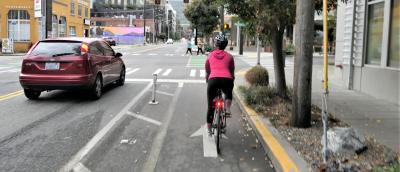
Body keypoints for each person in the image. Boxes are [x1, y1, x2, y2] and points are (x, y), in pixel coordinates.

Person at [205, 33, 235, 135]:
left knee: (210, 107)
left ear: (216, 44)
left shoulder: (209, 55)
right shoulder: (230, 57)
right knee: (228, 91)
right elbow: (232, 72)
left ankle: (209, 130)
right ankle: (227, 108)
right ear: (225, 45)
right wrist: (231, 82)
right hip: (227, 79)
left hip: (213, 80)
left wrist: (207, 80)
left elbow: (207, 71)